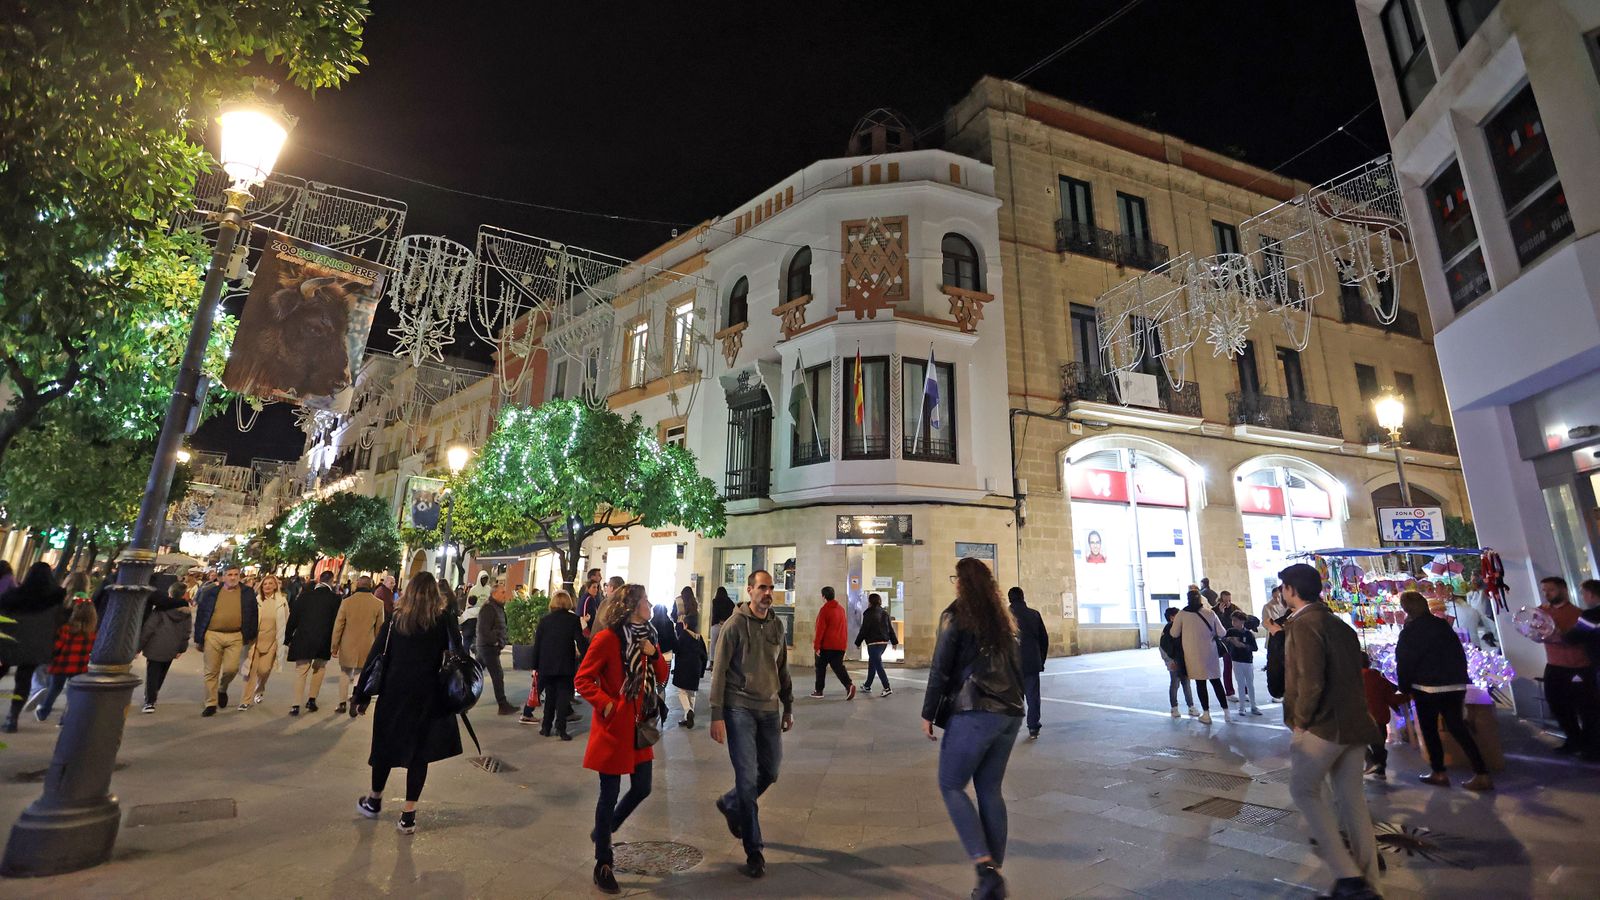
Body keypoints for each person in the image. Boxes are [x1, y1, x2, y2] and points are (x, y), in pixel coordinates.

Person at [922, 557, 1025, 900]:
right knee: (990, 789)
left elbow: (940, 668)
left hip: (976, 709)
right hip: (1010, 713)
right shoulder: (1003, 619)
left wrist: (928, 712)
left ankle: (984, 867)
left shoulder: (955, 615)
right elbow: (1017, 666)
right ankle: (992, 877)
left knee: (951, 784)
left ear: (961, 582)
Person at [1280, 562, 1382, 900]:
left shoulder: (1305, 625)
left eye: (1284, 587)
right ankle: (1370, 884)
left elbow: (1310, 680)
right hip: (1355, 723)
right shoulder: (1340, 625)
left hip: (1326, 726)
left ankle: (1349, 877)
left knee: (1304, 790)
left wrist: (1300, 721)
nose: (1282, 593)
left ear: (1292, 590)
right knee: (1352, 801)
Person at [575, 584, 669, 894]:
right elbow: (583, 679)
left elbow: (663, 675)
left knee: (643, 786)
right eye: (645, 600)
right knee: (609, 794)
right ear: (630, 606)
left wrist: (654, 654)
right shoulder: (607, 639)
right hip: (614, 729)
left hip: (639, 726)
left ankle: (608, 826)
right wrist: (607, 703)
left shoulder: (647, 637)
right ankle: (603, 861)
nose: (649, 604)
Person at [354, 571, 463, 835]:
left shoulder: (395, 621)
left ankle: (374, 799)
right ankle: (408, 814)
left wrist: (362, 695)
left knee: (384, 747)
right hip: (428, 695)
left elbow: (376, 658)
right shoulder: (442, 621)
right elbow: (457, 653)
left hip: (394, 693)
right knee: (419, 755)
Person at [709, 569, 794, 880]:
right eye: (761, 587)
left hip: (770, 707)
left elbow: (782, 667)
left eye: (771, 588)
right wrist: (717, 714)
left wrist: (788, 706)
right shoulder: (734, 625)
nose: (767, 593)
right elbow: (718, 671)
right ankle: (754, 850)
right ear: (749, 591)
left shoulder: (777, 625)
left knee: (770, 771)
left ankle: (732, 803)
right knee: (746, 778)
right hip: (739, 708)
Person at [1394, 590, 1494, 790]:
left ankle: (1439, 772)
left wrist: (1404, 687)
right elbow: (1459, 653)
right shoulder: (1442, 626)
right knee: (1458, 727)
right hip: (1453, 685)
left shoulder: (1410, 631)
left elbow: (1405, 662)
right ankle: (1481, 772)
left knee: (1430, 730)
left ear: (1407, 610)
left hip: (1427, 688)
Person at [0, 563, 66, 732]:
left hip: (9, 643)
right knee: (23, 680)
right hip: (36, 645)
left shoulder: (15, 595)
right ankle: (12, 718)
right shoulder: (56, 596)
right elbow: (59, 620)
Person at [1538, 576, 1598, 756]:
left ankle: (1589, 746)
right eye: (1544, 591)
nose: (1547, 594)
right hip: (1554, 665)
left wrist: (1556, 636)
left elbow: (1575, 638)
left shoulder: (1580, 614)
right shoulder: (1541, 611)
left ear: (1563, 590)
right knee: (1557, 705)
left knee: (1586, 708)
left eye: (1551, 590)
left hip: (1578, 666)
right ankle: (1574, 739)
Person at [193, 565, 259, 717]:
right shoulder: (211, 592)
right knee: (211, 670)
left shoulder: (247, 593)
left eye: (236, 574)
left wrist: (251, 635)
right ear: (223, 577)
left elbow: (253, 614)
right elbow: (202, 614)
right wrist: (199, 638)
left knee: (231, 668)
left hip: (235, 635)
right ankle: (210, 703)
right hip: (213, 635)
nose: (233, 577)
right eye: (229, 574)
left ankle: (222, 688)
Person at [524, 589, 589, 738]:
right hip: (565, 663)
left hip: (546, 664)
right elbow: (580, 641)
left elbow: (537, 645)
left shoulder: (545, 620)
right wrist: (587, 658)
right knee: (563, 697)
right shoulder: (573, 620)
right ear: (568, 603)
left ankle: (546, 727)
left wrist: (534, 666)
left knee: (550, 696)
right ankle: (561, 729)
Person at [285, 570, 340, 716]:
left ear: (318, 580)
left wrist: (288, 637)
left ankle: (295, 705)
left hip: (303, 637)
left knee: (301, 671)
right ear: (331, 581)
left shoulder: (304, 597)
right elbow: (337, 623)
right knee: (319, 668)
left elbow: (293, 618)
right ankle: (312, 700)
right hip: (324, 639)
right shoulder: (335, 599)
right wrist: (336, 643)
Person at [1169, 590, 1228, 724]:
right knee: (1216, 682)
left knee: (1200, 683)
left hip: (1192, 654)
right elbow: (1222, 632)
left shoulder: (1182, 614)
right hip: (1210, 653)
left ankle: (1206, 714)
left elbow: (1174, 633)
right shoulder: (1209, 612)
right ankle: (1227, 713)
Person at [332, 575, 387, 716]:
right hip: (367, 644)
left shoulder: (347, 602)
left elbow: (339, 625)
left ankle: (342, 703)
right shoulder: (378, 604)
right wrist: (378, 647)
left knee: (344, 673)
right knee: (359, 674)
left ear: (357, 585)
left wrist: (334, 645)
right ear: (371, 585)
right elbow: (380, 628)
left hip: (347, 642)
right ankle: (355, 698)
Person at [35, 595, 96, 721]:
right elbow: (91, 650)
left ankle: (43, 712)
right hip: (79, 666)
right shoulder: (91, 633)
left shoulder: (65, 629)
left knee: (54, 688)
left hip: (61, 665)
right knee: (73, 692)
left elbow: (56, 647)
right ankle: (66, 718)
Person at [139, 582, 193, 713]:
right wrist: (181, 648)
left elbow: (149, 628)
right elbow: (186, 631)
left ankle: (150, 700)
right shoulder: (186, 613)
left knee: (153, 672)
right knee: (162, 672)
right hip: (172, 647)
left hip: (155, 645)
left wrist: (139, 646)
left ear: (170, 593)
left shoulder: (160, 609)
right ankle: (154, 693)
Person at [240, 574, 290, 709]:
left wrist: (284, 639)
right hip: (255, 641)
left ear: (275, 586)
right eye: (265, 584)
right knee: (251, 671)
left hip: (272, 641)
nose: (267, 586)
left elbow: (286, 621)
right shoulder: (256, 601)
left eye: (270, 584)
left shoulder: (282, 602)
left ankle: (260, 688)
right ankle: (246, 700)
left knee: (264, 670)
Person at [1360, 652, 1407, 779]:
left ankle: (1373, 763)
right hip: (1379, 718)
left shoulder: (1352, 681)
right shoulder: (1380, 679)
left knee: (1358, 743)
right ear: (1369, 663)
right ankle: (1380, 770)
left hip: (1361, 719)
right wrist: (1408, 696)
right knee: (1379, 745)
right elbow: (1391, 698)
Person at [1008, 587, 1047, 738]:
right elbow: (1044, 639)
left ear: (1010, 599)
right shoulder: (1034, 614)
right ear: (1023, 597)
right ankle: (1033, 727)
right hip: (1031, 662)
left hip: (1011, 665)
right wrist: (1040, 659)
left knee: (1012, 698)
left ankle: (1012, 727)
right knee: (1033, 697)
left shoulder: (1004, 617)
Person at [476, 578, 516, 715]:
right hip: (488, 647)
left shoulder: (497, 608)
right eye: (503, 592)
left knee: (475, 673)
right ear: (494, 594)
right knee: (497, 675)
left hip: (488, 647)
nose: (505, 595)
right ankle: (502, 704)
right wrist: (496, 641)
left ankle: (463, 696)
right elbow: (484, 630)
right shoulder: (488, 608)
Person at [809, 585, 855, 700]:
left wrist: (817, 646)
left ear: (823, 596)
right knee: (838, 667)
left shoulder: (825, 610)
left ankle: (819, 691)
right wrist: (844, 645)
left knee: (820, 667)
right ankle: (848, 685)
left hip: (826, 645)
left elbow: (820, 629)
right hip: (839, 645)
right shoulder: (841, 609)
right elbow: (844, 628)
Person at [854, 592, 900, 697]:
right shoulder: (884, 612)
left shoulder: (868, 614)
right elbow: (890, 628)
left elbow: (864, 630)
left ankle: (887, 687)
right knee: (873, 662)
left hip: (873, 643)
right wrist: (894, 642)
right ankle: (867, 685)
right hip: (883, 643)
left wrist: (858, 642)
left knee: (878, 664)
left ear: (870, 602)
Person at [672, 595, 708, 728]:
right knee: (692, 692)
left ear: (685, 624)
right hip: (695, 668)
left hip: (684, 668)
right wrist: (702, 670)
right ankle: (687, 717)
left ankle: (688, 711)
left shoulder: (683, 637)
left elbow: (677, 649)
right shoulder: (699, 638)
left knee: (682, 691)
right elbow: (704, 655)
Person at [1159, 608, 1197, 717]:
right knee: (1175, 684)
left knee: (1186, 684)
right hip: (1174, 662)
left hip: (1184, 661)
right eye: (1178, 615)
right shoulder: (1168, 629)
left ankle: (1191, 706)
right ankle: (1174, 708)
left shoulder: (1182, 628)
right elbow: (1163, 647)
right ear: (1172, 617)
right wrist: (1169, 661)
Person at [1224, 609, 1261, 716]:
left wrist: (1243, 645)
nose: (1233, 623)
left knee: (1250, 684)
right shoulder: (1230, 631)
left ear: (1242, 622)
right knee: (1240, 684)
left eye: (1236, 620)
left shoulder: (1248, 634)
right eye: (1233, 621)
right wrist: (1228, 640)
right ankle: (1242, 708)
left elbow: (1255, 648)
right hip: (1236, 660)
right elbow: (1223, 640)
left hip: (1248, 661)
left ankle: (1254, 706)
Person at [1214, 590, 1240, 697]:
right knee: (1228, 665)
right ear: (1221, 599)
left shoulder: (1234, 608)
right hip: (1225, 641)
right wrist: (1220, 612)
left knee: (1239, 665)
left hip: (1236, 638)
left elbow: (1242, 618)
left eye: (1230, 600)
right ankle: (1229, 692)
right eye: (1226, 600)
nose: (1228, 602)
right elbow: (1215, 624)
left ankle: (1244, 691)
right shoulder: (1215, 610)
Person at [709, 584, 735, 663]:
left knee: (713, 643)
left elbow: (714, 613)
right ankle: (724, 660)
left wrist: (717, 621)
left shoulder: (715, 601)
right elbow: (733, 614)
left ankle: (712, 661)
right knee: (725, 644)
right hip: (726, 625)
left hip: (716, 625)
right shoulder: (730, 603)